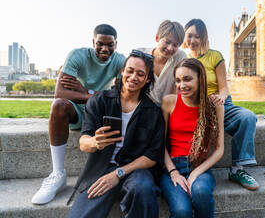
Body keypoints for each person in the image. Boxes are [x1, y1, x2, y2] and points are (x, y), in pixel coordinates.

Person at [32, 24, 126, 204]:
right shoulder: (78, 56)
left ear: (116, 44)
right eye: (100, 43)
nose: (105, 49)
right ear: (93, 42)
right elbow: (59, 93)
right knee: (58, 106)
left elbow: (124, 93)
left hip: (99, 113)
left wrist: (86, 92)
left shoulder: (120, 60)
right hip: (78, 111)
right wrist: (92, 95)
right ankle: (58, 173)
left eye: (110, 44)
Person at [67, 50, 165, 218]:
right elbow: (84, 141)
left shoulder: (153, 112)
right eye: (130, 70)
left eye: (140, 74)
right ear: (122, 71)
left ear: (147, 79)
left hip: (136, 171)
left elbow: (152, 156)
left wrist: (119, 173)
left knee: (142, 189)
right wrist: (95, 142)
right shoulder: (100, 101)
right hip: (102, 169)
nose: (134, 77)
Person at [184, 19, 259, 191]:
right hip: (195, 107)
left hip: (220, 104)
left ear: (204, 38)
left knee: (248, 117)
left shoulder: (215, 56)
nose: (193, 40)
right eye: (189, 36)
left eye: (197, 36)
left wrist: (220, 97)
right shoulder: (183, 59)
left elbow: (224, 87)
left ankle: (238, 169)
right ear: (184, 36)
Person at [160, 58, 224, 218]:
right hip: (172, 167)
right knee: (182, 211)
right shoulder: (169, 102)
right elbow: (159, 144)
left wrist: (196, 173)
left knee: (201, 192)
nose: (182, 85)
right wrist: (174, 172)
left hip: (200, 166)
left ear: (200, 78)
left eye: (187, 79)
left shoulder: (214, 105)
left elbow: (219, 149)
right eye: (178, 80)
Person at [137, 20, 186, 105]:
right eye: (167, 42)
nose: (170, 48)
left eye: (175, 45)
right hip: (141, 104)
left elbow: (179, 86)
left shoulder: (180, 57)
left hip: (166, 107)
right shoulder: (141, 54)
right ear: (157, 38)